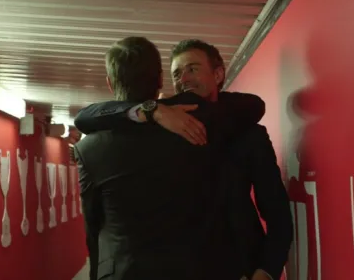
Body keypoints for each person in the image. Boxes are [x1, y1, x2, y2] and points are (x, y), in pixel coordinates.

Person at [74, 39, 293, 280]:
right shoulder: (164, 124)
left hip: (238, 267)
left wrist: (266, 271)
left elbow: (277, 213)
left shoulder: (242, 128)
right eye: (177, 73)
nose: (184, 79)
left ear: (218, 74)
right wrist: (153, 110)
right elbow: (87, 116)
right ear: (161, 81)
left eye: (193, 69)